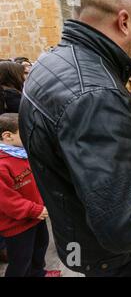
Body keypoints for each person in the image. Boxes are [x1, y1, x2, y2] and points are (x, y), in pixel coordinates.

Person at [19, 0, 131, 277]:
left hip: (80, 239)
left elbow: (90, 141)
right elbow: (130, 226)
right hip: (116, 260)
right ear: (124, 22)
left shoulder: (49, 62)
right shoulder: (97, 94)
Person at [0, 114, 60, 277]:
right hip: (17, 225)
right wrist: (34, 210)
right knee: (21, 261)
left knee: (39, 248)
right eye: (24, 131)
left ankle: (37, 273)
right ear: (7, 136)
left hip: (36, 216)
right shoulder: (2, 165)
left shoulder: (21, 153)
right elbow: (6, 201)